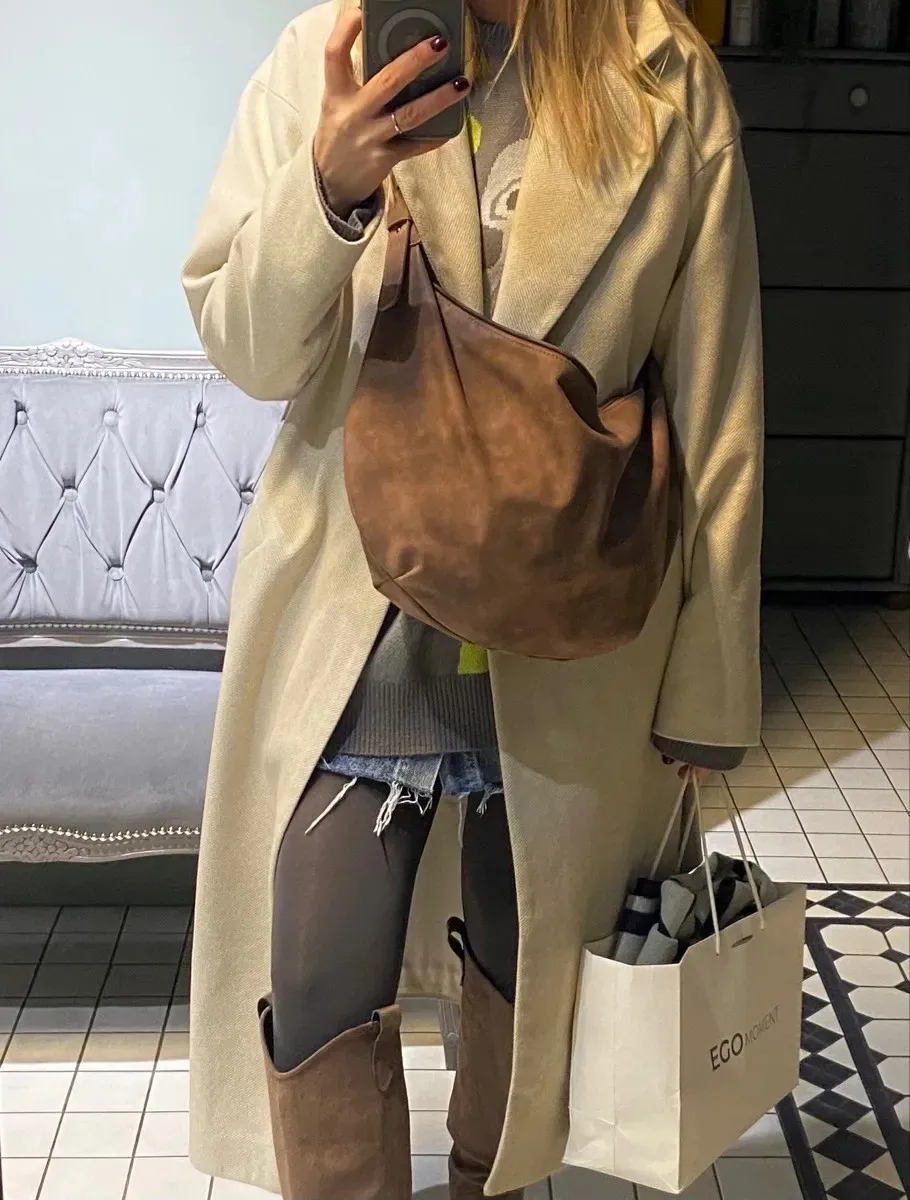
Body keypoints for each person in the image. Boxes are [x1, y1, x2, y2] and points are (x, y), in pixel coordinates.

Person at [181, 0, 763, 1192]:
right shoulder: (328, 52)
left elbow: (719, 395)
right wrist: (331, 188)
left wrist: (710, 685)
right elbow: (247, 350)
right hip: (356, 615)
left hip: (573, 630)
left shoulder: (664, 73)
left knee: (526, 985)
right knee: (315, 991)